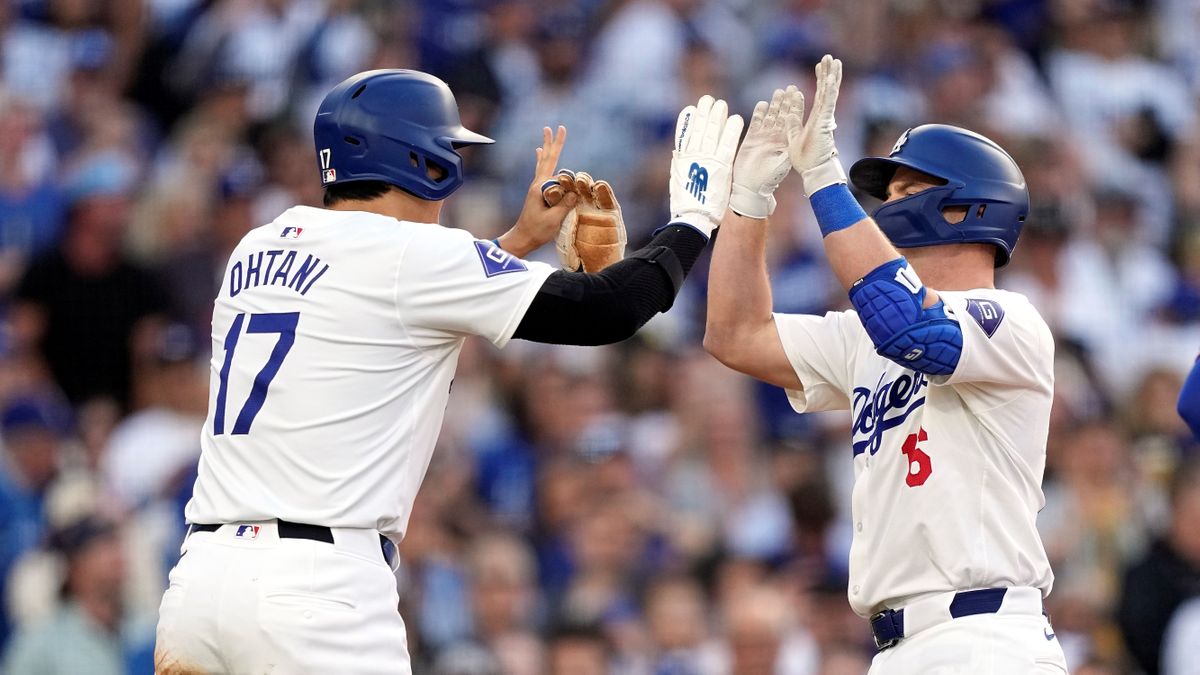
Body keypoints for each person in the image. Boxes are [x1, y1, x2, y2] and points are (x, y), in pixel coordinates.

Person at [153, 68, 743, 673]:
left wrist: (512, 242)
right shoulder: (417, 257)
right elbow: (610, 310)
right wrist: (694, 219)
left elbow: (387, 309)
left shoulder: (258, 245)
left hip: (199, 584)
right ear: (422, 160)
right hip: (315, 592)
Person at [703, 55, 1067, 673]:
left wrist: (821, 175)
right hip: (899, 647)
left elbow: (911, 326)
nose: (885, 204)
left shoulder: (1012, 322)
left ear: (966, 207)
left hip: (986, 640)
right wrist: (749, 201)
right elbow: (735, 334)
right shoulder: (860, 339)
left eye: (907, 190)